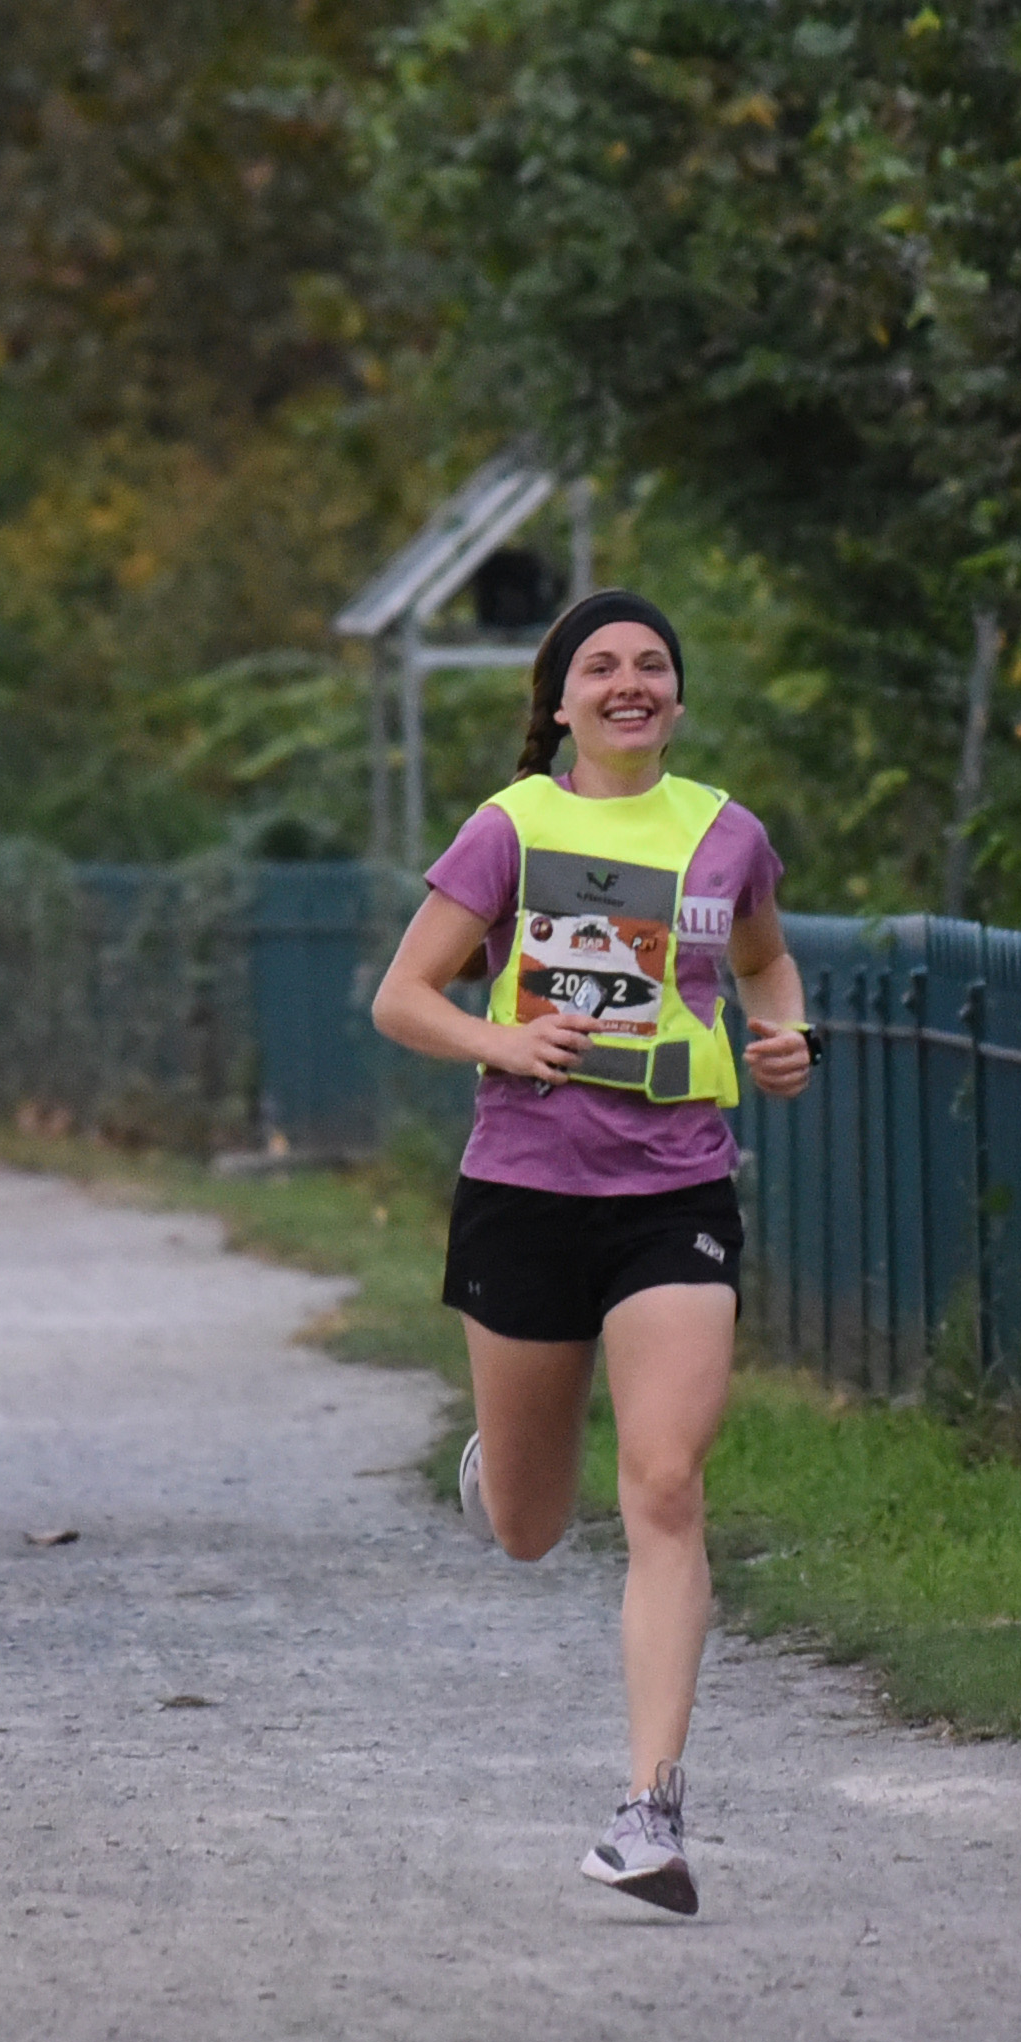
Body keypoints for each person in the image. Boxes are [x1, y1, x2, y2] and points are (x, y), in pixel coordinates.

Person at [365, 589, 812, 1915]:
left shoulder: (723, 832)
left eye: (651, 666)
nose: (629, 684)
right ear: (557, 703)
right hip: (522, 1186)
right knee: (529, 1525)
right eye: (599, 667)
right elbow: (402, 996)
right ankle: (495, 1467)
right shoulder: (510, 830)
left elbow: (765, 967)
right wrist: (499, 1042)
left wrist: (784, 1039)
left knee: (664, 1483)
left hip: (672, 1187)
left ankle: (647, 1810)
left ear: (675, 696)